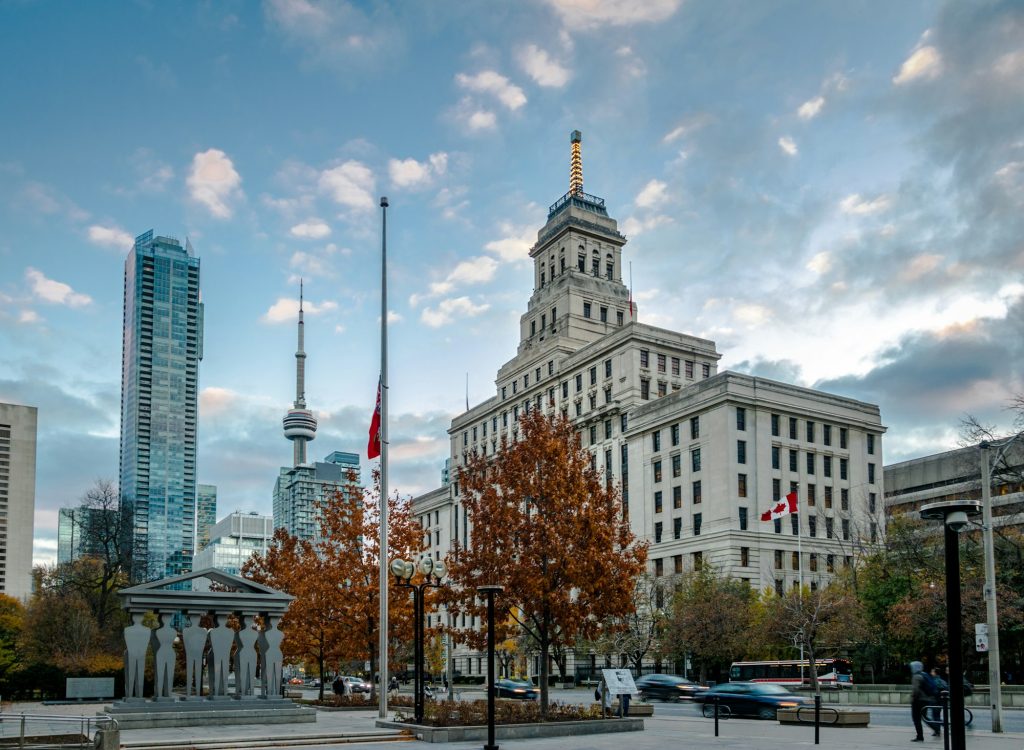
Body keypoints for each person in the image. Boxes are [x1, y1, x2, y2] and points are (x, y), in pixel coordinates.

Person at [910, 661, 935, 741]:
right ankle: (936, 728)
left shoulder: (916, 676)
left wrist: (913, 699)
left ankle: (920, 736)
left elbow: (916, 690)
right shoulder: (924, 674)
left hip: (918, 700)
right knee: (924, 717)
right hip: (926, 699)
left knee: (916, 719)